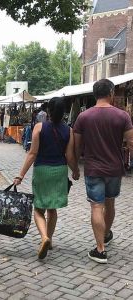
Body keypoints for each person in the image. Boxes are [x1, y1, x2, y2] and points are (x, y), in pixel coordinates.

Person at [73, 79, 133, 264]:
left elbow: (77, 145)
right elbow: (131, 143)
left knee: (96, 207)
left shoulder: (84, 117)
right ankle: (106, 234)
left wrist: (75, 166)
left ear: (94, 94)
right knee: (110, 203)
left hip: (93, 169)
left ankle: (100, 249)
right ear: (111, 93)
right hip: (114, 169)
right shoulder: (122, 116)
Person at [14, 97, 80, 259]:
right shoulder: (68, 130)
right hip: (59, 171)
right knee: (52, 208)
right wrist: (75, 171)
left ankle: (44, 237)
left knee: (38, 208)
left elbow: (32, 154)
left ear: (48, 111)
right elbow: (69, 155)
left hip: (42, 170)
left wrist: (20, 175)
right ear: (64, 112)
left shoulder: (39, 127)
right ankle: (49, 239)